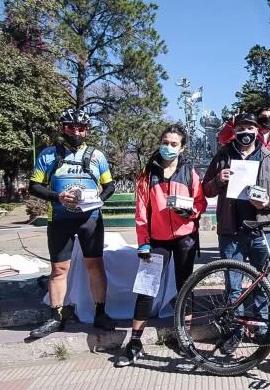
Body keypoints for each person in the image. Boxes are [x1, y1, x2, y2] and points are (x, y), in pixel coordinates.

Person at [117, 124, 207, 366]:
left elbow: (200, 204)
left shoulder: (190, 172)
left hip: (185, 238)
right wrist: (143, 243)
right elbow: (141, 213)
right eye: (165, 142)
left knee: (185, 288)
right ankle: (134, 342)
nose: (168, 147)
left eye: (174, 144)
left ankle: (184, 338)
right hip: (156, 240)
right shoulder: (147, 175)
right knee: (147, 288)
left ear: (182, 147)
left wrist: (189, 212)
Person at [28, 108, 116, 338]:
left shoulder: (97, 156)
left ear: (86, 131)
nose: (76, 132)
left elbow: (110, 185)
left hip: (90, 219)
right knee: (59, 269)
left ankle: (100, 313)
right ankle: (55, 316)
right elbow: (34, 185)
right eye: (71, 127)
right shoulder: (48, 154)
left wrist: (98, 200)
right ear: (63, 128)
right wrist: (57, 197)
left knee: (95, 266)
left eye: (81, 128)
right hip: (59, 219)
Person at [203, 113, 270, 354]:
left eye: (249, 127)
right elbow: (206, 189)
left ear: (257, 131)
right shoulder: (223, 155)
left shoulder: (268, 156)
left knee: (262, 282)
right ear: (235, 130)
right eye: (240, 128)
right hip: (231, 230)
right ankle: (233, 331)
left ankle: (262, 328)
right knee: (233, 284)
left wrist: (268, 202)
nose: (245, 132)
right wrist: (218, 180)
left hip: (261, 229)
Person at [216, 106, 270, 172]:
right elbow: (223, 139)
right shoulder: (248, 135)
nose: (267, 119)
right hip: (249, 174)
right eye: (263, 116)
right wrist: (232, 123)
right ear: (257, 118)